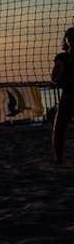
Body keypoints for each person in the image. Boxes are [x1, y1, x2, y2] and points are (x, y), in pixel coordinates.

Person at [50, 27, 74, 163]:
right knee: (59, 128)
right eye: (70, 37)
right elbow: (55, 78)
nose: (72, 39)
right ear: (66, 40)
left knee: (59, 128)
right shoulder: (62, 58)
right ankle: (58, 158)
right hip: (68, 96)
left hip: (68, 94)